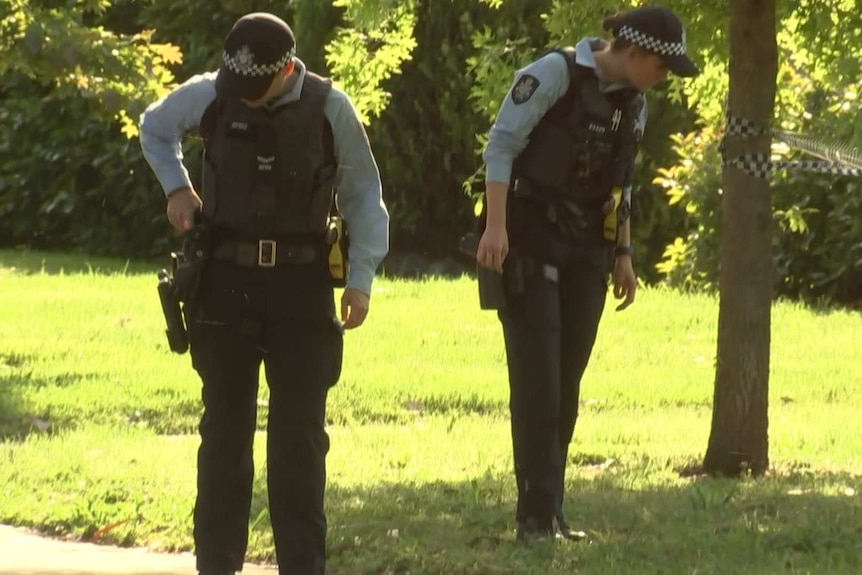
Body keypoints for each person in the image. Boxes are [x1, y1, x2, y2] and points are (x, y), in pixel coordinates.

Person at [139, 12, 389, 575]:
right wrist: (177, 186)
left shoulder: (330, 108)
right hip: (224, 285)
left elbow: (364, 196)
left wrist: (361, 280)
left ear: (287, 70)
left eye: (256, 89)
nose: (243, 98)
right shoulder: (213, 93)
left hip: (302, 289)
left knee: (299, 443)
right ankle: (216, 566)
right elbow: (154, 126)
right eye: (237, 87)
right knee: (223, 435)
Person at [475, 5, 699, 541]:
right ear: (634, 52)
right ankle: (532, 519)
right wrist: (495, 230)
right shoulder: (553, 74)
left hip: (586, 254)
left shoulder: (635, 107)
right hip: (527, 241)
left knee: (566, 383)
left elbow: (621, 183)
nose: (663, 79)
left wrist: (622, 253)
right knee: (538, 381)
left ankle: (552, 511)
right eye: (662, 67)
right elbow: (501, 146)